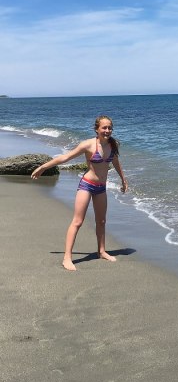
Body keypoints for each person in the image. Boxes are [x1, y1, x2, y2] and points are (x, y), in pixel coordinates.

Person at [31, 115, 128, 271]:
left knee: (101, 221)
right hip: (87, 185)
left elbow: (115, 161)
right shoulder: (88, 145)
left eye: (110, 128)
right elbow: (66, 157)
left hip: (101, 188)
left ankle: (101, 251)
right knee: (78, 221)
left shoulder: (113, 144)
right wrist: (43, 167)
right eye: (104, 127)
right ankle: (67, 258)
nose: (107, 130)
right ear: (97, 129)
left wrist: (123, 180)